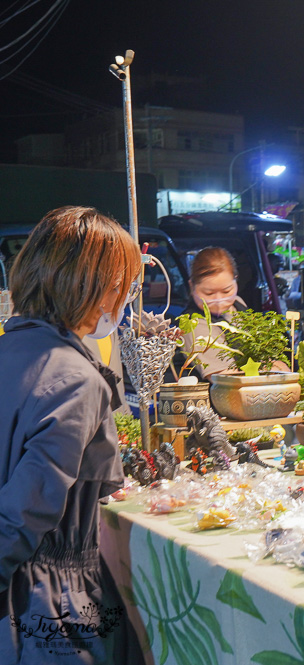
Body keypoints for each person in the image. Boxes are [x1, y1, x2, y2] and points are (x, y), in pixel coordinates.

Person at [0, 206, 142, 663]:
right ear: (95, 288)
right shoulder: (75, 378)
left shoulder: (10, 349)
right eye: (122, 286)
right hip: (48, 604)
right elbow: (26, 510)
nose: (123, 299)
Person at [176, 247, 247, 378]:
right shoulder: (194, 324)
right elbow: (226, 380)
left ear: (236, 280)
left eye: (227, 291)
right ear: (192, 286)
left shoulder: (238, 303)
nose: (219, 301)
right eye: (209, 293)